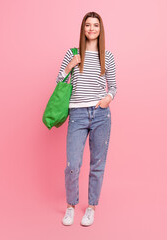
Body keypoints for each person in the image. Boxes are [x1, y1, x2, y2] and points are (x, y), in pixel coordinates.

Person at [55, 12, 117, 226]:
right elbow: (59, 79)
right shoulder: (73, 53)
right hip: (78, 114)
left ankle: (91, 207)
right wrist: (70, 65)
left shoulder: (107, 56)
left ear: (100, 29)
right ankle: (71, 206)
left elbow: (114, 86)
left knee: (97, 164)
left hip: (100, 114)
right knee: (73, 164)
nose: (92, 29)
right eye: (88, 25)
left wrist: (108, 98)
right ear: (83, 29)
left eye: (96, 25)